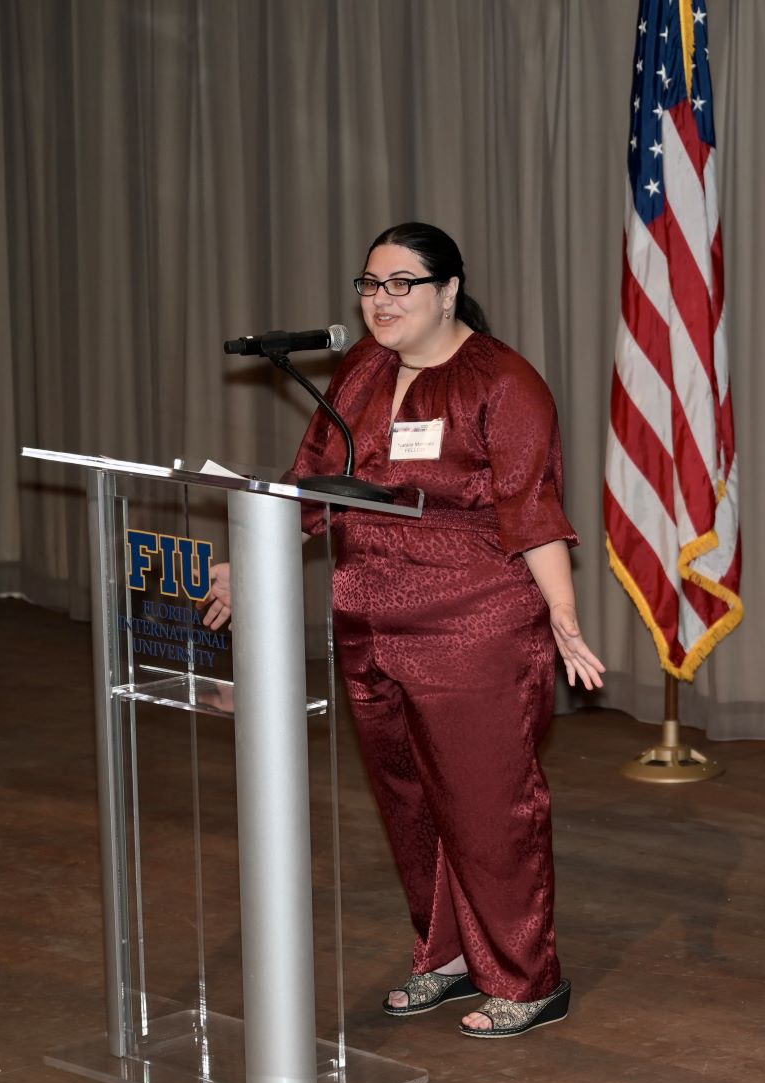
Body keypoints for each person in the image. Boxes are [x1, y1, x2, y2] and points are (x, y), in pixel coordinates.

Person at [205, 222, 604, 1039]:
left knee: (488, 805)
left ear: (448, 290)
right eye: (369, 284)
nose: (379, 301)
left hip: (474, 625)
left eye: (400, 285)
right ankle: (448, 956)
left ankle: (528, 977)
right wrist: (251, 558)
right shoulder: (359, 371)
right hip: (368, 619)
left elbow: (532, 508)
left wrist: (561, 616)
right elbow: (312, 480)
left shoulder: (504, 381)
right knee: (410, 802)